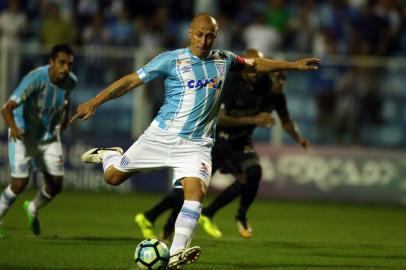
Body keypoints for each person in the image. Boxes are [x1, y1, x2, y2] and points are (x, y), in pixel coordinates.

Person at [70, 13, 319, 269]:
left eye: (209, 35)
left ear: (216, 35)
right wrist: (95, 101)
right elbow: (131, 81)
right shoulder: (170, 60)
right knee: (112, 178)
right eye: (199, 34)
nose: (203, 40)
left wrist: (293, 65)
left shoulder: (225, 60)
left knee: (195, 193)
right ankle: (111, 154)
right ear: (190, 33)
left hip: (196, 145)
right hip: (161, 136)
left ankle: (177, 252)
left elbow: (255, 65)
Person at [134, 49, 310, 244]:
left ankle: (227, 215)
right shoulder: (232, 83)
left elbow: (285, 120)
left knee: (252, 173)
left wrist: (299, 138)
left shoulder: (268, 89)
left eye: (280, 79)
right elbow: (221, 119)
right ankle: (162, 226)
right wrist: (254, 119)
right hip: (217, 141)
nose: (277, 81)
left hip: (240, 142)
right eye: (276, 77)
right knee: (190, 191)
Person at [0, 44, 76, 237]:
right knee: (19, 183)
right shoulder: (35, 78)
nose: (66, 68)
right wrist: (14, 128)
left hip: (48, 138)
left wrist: (65, 119)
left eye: (70, 64)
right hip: (24, 136)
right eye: (62, 63)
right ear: (51, 62)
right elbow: (6, 108)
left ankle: (32, 208)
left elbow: (66, 98)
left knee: (56, 185)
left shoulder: (70, 81)